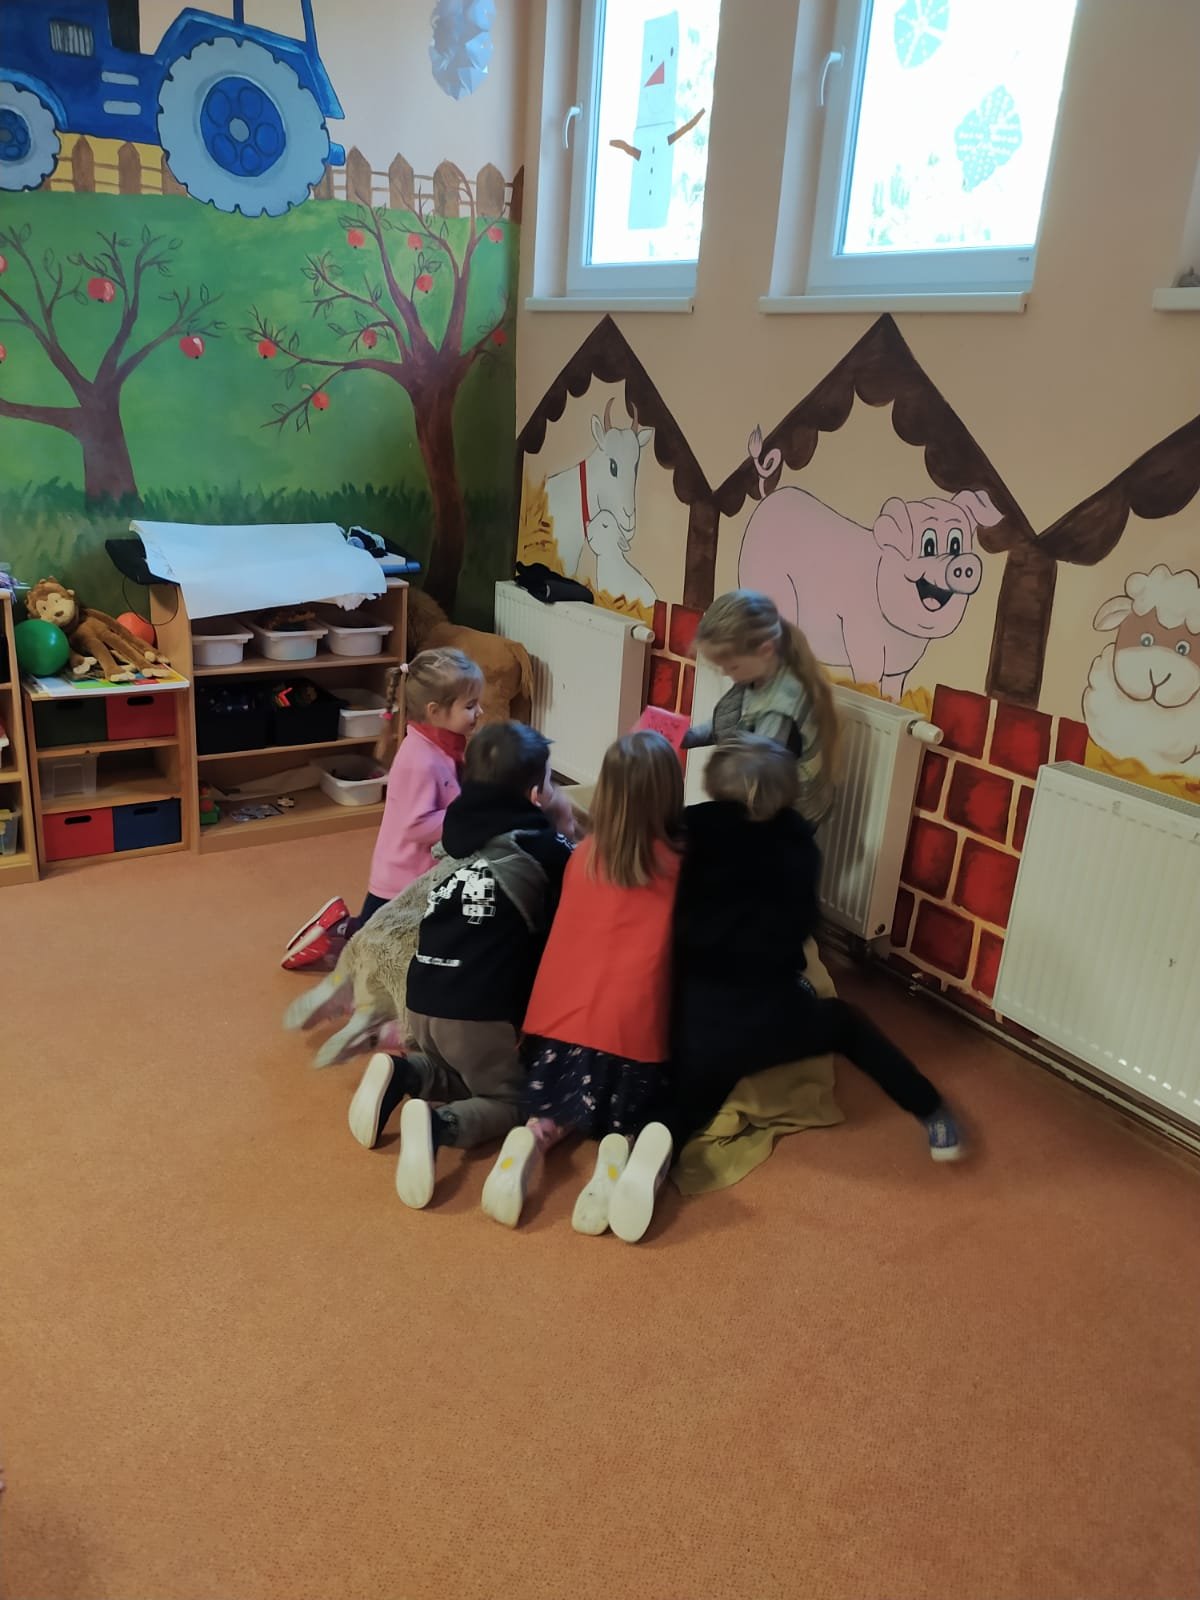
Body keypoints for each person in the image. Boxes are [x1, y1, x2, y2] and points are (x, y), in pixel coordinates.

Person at [666, 735, 965, 1162]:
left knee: (687, 1107)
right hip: (767, 1016)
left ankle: (645, 1154)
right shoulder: (796, 843)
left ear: (716, 781)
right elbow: (799, 931)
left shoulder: (689, 825)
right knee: (847, 1026)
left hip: (697, 1019)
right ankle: (933, 1112)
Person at [346, 721, 574, 1209]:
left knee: (461, 1071)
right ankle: (439, 1126)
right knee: (510, 1100)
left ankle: (405, 1074)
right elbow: (579, 883)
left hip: (424, 995)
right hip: (477, 1009)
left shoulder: (459, 833)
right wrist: (566, 827)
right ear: (535, 794)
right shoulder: (541, 847)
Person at [479, 730, 683, 1242]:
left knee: (559, 1104)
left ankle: (535, 1137)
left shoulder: (582, 857)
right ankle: (617, 1149)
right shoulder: (678, 867)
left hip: (557, 1035)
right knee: (636, 1110)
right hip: (630, 1042)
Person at [282, 648, 483, 971]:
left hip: (420, 870)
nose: (480, 712)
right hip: (402, 874)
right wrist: (469, 816)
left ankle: (348, 927)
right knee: (371, 946)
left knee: (398, 936)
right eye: (470, 706)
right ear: (434, 711)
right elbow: (416, 826)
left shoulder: (442, 747)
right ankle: (338, 929)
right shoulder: (421, 760)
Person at [682, 588, 839, 827]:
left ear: (765, 650)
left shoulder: (779, 709)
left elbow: (757, 776)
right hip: (767, 795)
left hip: (787, 810)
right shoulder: (759, 673)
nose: (725, 673)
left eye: (732, 667)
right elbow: (733, 719)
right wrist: (686, 735)